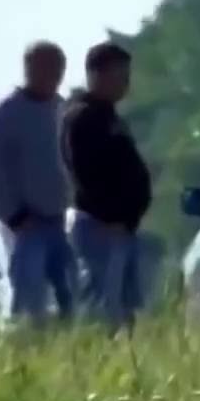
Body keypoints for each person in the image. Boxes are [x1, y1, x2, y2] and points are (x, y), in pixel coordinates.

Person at [0, 41, 75, 326]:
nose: (51, 75)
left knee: (70, 290)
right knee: (29, 293)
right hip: (24, 224)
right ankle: (24, 344)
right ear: (29, 68)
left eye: (57, 69)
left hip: (60, 219)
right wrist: (14, 215)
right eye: (45, 67)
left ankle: (71, 342)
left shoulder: (64, 111)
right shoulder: (6, 116)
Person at [61, 42, 152, 331]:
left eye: (127, 76)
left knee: (123, 306)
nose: (125, 83)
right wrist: (111, 216)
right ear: (96, 75)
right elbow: (86, 173)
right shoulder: (83, 117)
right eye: (119, 75)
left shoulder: (111, 117)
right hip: (99, 226)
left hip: (121, 228)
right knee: (102, 305)